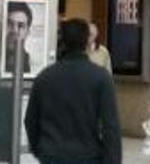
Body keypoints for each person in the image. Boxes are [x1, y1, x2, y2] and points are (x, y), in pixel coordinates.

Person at [25, 18, 121, 164]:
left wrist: (40, 150)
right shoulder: (101, 78)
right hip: (88, 156)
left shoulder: (44, 78)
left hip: (52, 154)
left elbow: (30, 120)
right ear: (87, 42)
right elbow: (111, 126)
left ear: (62, 41)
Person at [5, 1, 32, 74]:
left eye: (21, 25)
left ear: (27, 32)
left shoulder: (27, 62)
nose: (15, 30)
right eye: (10, 23)